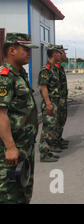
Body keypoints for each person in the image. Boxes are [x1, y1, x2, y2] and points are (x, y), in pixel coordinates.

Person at [0, 33, 39, 204]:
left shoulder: (20, 74)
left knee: (23, 192)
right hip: (11, 151)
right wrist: (10, 147)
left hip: (24, 147)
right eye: (26, 50)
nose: (29, 54)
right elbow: (1, 114)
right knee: (10, 195)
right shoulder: (5, 77)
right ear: (12, 50)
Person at [38, 45, 63, 162]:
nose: (61, 55)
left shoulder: (54, 68)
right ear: (54, 54)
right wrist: (48, 103)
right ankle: (43, 153)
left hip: (55, 102)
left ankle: (48, 151)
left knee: (52, 128)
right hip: (50, 103)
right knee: (47, 129)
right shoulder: (46, 70)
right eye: (59, 53)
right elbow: (43, 88)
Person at [56, 45, 69, 148]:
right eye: (63, 52)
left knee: (61, 120)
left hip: (62, 99)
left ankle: (58, 140)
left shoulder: (59, 67)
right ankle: (49, 146)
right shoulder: (51, 68)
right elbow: (44, 87)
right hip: (56, 100)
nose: (65, 55)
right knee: (53, 124)